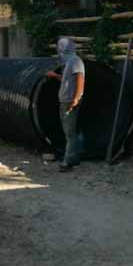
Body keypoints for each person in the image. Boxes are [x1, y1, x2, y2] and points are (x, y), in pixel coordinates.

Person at [46, 37, 86, 171]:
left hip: (70, 101)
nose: (58, 51)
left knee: (70, 132)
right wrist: (55, 76)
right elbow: (68, 80)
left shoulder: (75, 61)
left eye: (59, 48)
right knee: (69, 131)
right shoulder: (69, 62)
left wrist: (76, 98)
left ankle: (68, 162)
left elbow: (80, 79)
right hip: (65, 100)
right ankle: (74, 158)